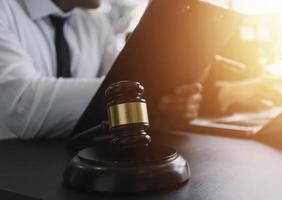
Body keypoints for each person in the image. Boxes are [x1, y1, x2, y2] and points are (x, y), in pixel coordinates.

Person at [0, 0, 202, 139]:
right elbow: (23, 106)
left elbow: (122, 79)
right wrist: (144, 90)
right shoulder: (5, 11)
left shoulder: (95, 22)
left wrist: (166, 108)